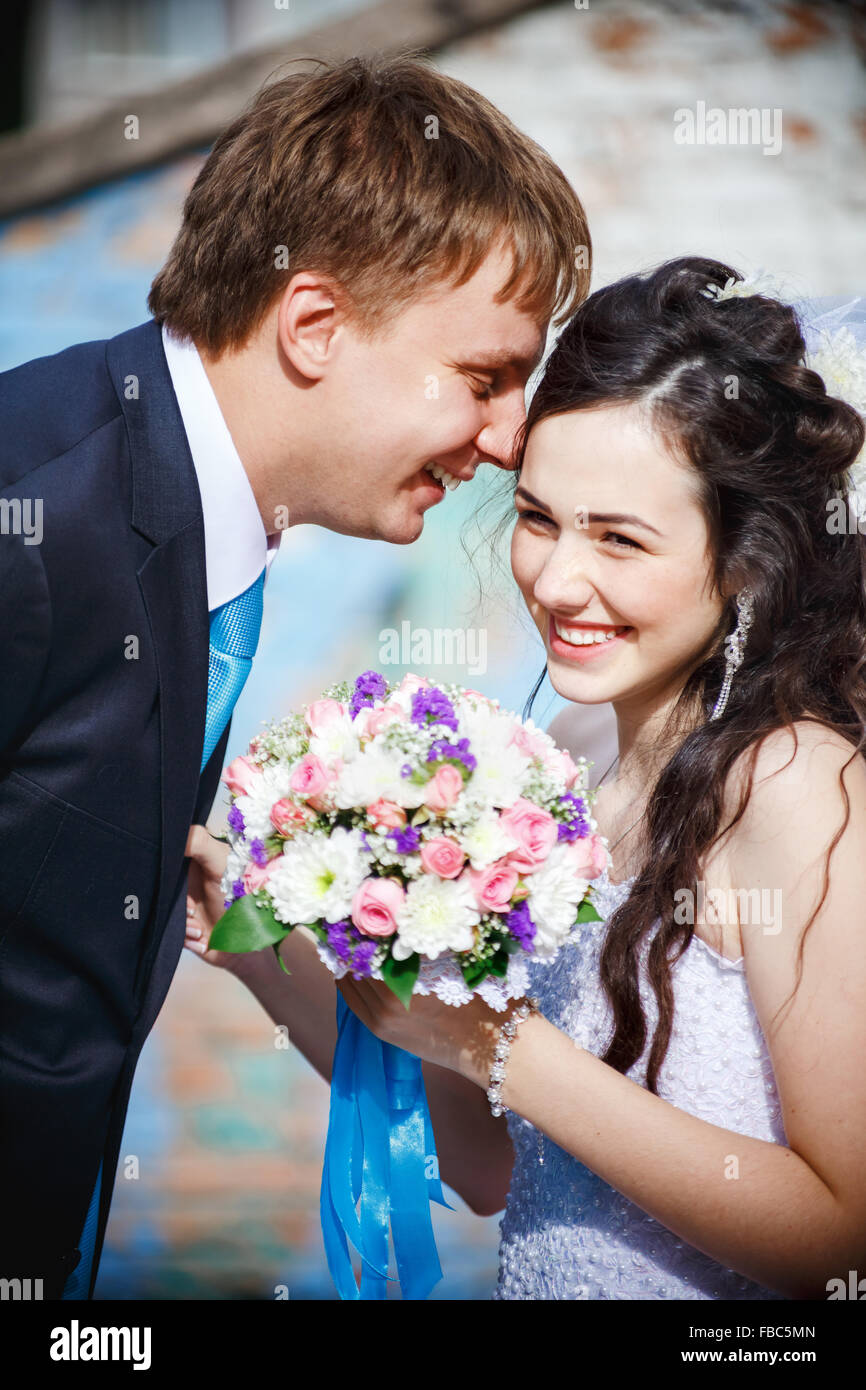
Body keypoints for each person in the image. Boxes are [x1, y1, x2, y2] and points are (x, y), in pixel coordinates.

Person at [0, 52, 590, 1299]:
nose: (503, 441)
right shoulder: (36, 516)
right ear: (314, 325)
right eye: (483, 377)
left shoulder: (195, 504)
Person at [186, 257, 866, 1300]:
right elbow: (489, 1163)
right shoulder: (572, 744)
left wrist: (503, 1044)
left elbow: (841, 1243)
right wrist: (256, 946)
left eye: (617, 538)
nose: (554, 578)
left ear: (745, 557)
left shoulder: (798, 786)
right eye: (540, 517)